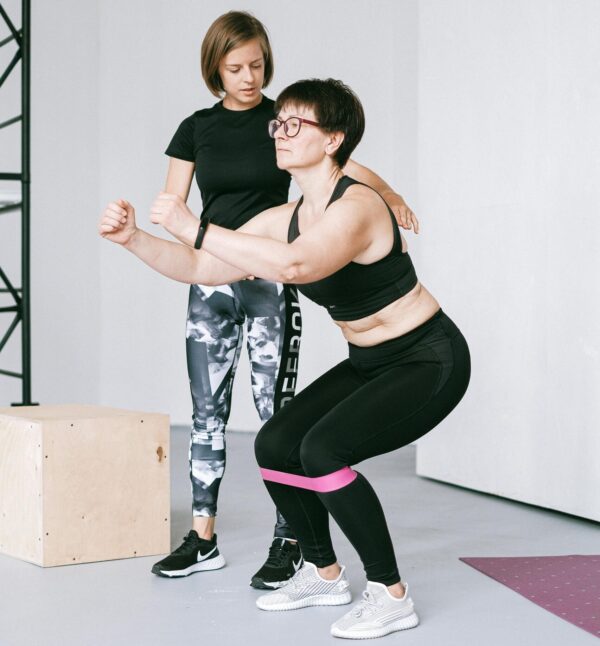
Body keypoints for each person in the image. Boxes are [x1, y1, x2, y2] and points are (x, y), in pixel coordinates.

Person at [99, 77, 469, 639]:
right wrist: (134, 240)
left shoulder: (358, 205)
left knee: (322, 451)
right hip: (370, 360)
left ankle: (391, 593)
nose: (280, 132)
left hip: (427, 359)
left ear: (333, 139)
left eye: (297, 124)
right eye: (280, 123)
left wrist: (196, 225)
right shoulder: (286, 215)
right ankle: (324, 575)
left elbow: (297, 266)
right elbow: (202, 268)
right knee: (275, 445)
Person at [151, 10, 419, 589]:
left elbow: (343, 163)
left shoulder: (285, 121)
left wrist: (391, 194)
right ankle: (202, 537)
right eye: (236, 67)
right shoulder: (195, 128)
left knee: (278, 417)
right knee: (206, 413)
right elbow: (176, 208)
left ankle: (291, 541)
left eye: (258, 65)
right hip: (213, 283)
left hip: (273, 280)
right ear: (214, 69)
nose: (249, 77)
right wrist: (166, 238)